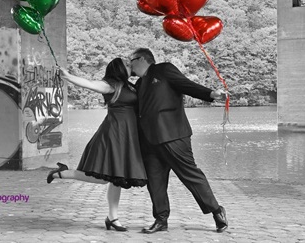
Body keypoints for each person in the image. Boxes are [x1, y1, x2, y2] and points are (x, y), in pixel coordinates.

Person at [129, 48, 228, 234]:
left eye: (131, 60)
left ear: (141, 59)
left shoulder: (164, 70)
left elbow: (186, 85)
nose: (130, 64)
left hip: (173, 135)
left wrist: (211, 94)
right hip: (149, 141)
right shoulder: (139, 84)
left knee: (189, 174)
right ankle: (160, 219)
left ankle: (216, 211)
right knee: (155, 181)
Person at [46, 57, 147, 232]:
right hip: (113, 134)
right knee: (102, 179)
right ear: (118, 69)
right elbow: (88, 84)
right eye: (127, 65)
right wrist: (68, 76)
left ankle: (113, 218)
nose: (130, 66)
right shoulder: (110, 85)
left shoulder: (130, 85)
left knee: (118, 178)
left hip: (128, 136)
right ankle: (61, 174)